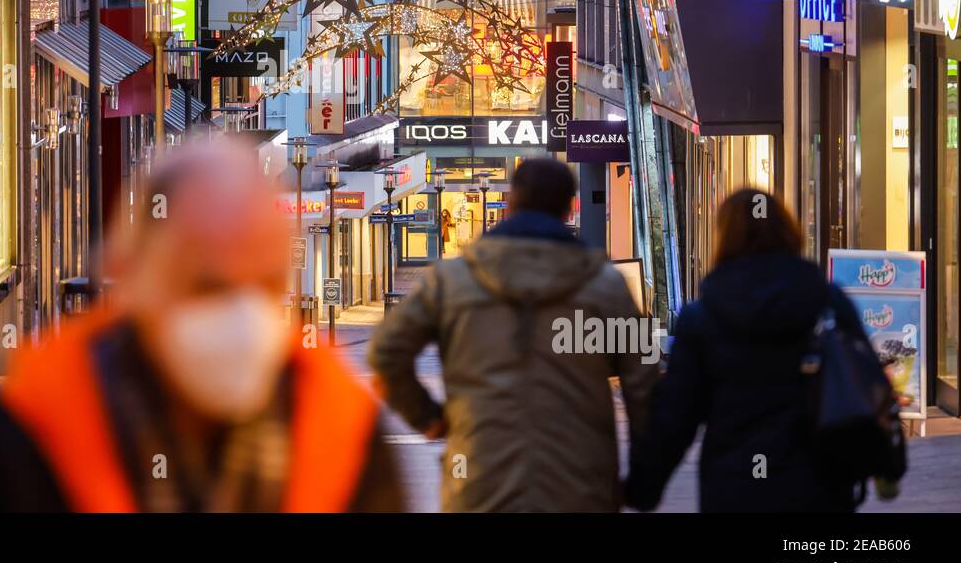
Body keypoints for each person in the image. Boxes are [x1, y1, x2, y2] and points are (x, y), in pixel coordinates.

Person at [0, 139, 403, 512]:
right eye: (207, 284)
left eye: (266, 284)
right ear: (129, 273)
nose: (241, 314)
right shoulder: (10, 448)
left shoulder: (350, 441)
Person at [369, 156, 657, 512]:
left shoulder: (450, 281)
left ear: (510, 203)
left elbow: (386, 354)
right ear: (569, 209)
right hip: (582, 485)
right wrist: (647, 481)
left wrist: (430, 418)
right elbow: (645, 384)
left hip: (479, 483)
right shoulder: (608, 286)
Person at [625, 189, 889, 513]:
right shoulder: (828, 302)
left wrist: (643, 487)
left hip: (735, 485)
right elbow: (866, 380)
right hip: (821, 482)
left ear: (724, 238)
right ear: (788, 231)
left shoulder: (702, 318)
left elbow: (675, 417)